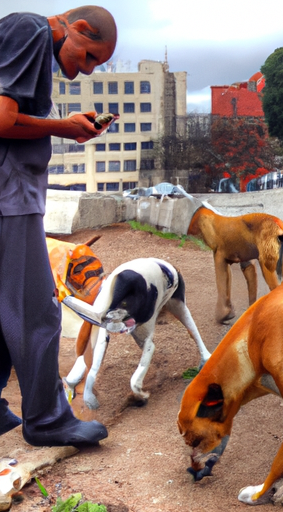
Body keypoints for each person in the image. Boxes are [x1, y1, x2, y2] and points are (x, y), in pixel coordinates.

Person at [0, 6, 117, 446]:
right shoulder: (30, 30)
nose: (85, 70)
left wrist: (65, 126)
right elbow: (2, 119)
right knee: (36, 310)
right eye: (88, 56)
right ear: (77, 28)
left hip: (10, 194)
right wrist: (65, 129)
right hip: (8, 197)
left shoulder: (21, 35)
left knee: (3, 310)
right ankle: (47, 420)